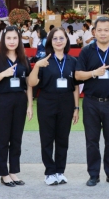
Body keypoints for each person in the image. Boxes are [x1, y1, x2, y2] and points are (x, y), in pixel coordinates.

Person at [75, 17, 109, 187]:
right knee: (91, 141)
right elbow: (78, 75)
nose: (103, 33)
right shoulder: (86, 51)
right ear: (94, 32)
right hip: (91, 102)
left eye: (106, 30)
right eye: (99, 30)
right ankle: (93, 175)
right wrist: (94, 73)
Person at [28, 27, 80, 185]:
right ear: (50, 41)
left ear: (66, 40)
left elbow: (75, 86)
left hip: (66, 102)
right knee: (47, 138)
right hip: (47, 101)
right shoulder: (44, 60)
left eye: (61, 38)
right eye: (55, 38)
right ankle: (50, 172)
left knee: (63, 138)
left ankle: (60, 171)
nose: (58, 41)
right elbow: (32, 83)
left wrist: (76, 108)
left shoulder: (73, 61)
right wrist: (37, 66)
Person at [0, 26, 34, 186]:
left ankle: (13, 171)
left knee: (16, 138)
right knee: (3, 138)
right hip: (4, 99)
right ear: (3, 40)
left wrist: (30, 105)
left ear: (19, 40)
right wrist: (3, 74)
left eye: (15, 38)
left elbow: (28, 83)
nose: (12, 41)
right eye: (8, 38)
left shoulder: (23, 59)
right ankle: (3, 173)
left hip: (20, 100)